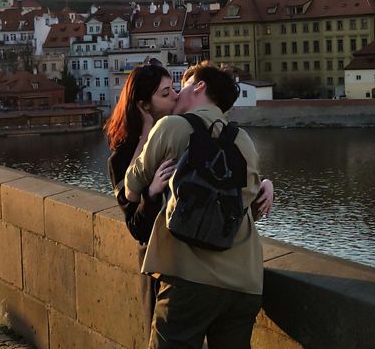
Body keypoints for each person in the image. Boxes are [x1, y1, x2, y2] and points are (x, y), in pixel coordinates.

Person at [125, 61, 270, 349]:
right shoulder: (244, 141)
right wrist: (268, 183)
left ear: (199, 86)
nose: (177, 94)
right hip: (245, 283)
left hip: (189, 279)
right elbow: (249, 205)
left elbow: (131, 187)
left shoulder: (173, 127)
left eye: (184, 85)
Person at [105, 63, 179, 343]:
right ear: (144, 106)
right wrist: (150, 194)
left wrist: (263, 184)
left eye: (173, 88)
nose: (175, 96)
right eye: (165, 92)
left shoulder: (182, 134)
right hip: (157, 263)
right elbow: (136, 227)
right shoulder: (120, 160)